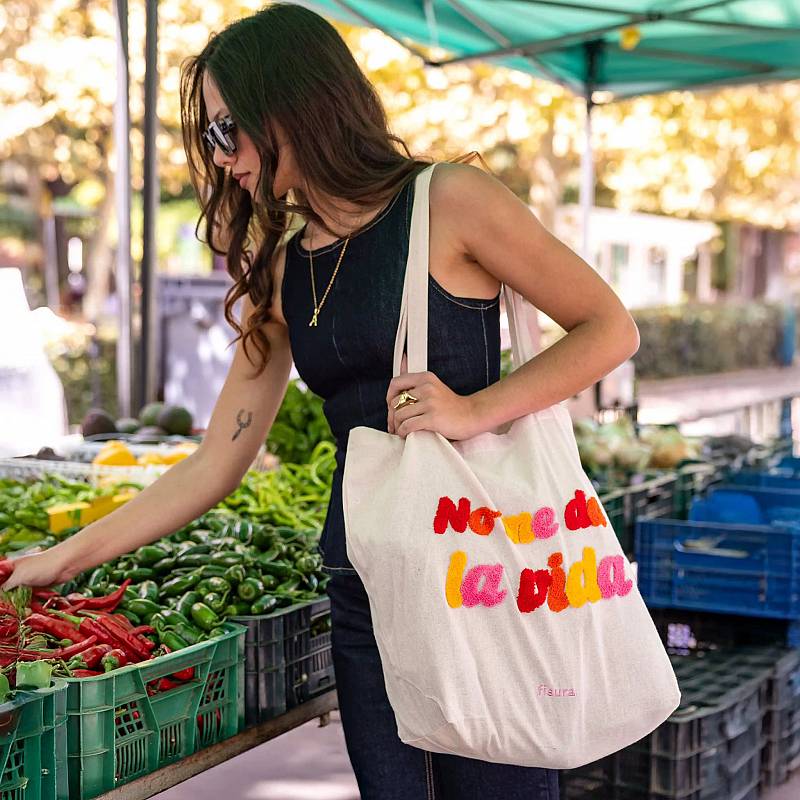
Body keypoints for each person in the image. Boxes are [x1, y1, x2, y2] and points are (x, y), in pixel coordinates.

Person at [5, 4, 640, 797]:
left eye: (224, 129)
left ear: (291, 103)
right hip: (365, 585)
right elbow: (214, 463)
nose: (218, 156)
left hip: (482, 579)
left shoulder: (452, 201)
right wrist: (61, 559)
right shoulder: (282, 269)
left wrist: (475, 409)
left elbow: (609, 327)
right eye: (208, 137)